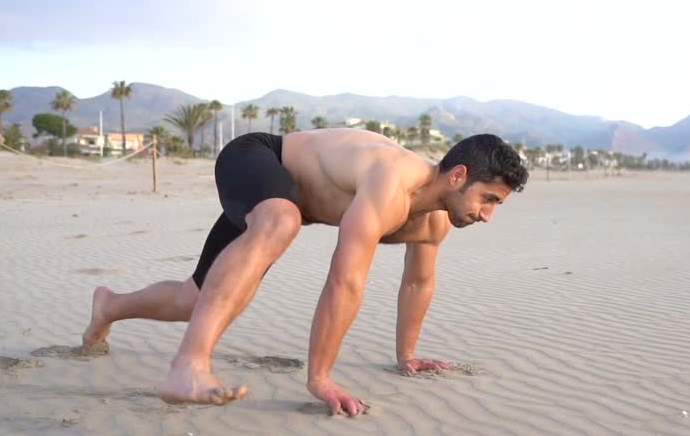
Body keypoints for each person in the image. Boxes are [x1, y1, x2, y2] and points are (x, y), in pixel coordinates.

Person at [81, 128, 528, 416]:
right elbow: (345, 280)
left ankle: (109, 307)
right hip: (259, 159)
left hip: (280, 201)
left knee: (194, 300)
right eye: (488, 199)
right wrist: (320, 378)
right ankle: (189, 366)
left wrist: (406, 355)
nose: (487, 214)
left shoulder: (432, 223)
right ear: (458, 176)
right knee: (282, 219)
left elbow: (417, 282)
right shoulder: (392, 182)